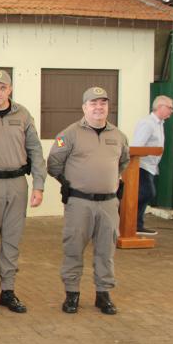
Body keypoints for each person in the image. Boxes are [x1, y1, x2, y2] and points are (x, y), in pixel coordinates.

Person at [47, 86, 130, 315]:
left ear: (108, 107)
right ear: (84, 107)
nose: (98, 107)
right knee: (73, 248)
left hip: (109, 204)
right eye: (93, 103)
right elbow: (54, 164)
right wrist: (69, 183)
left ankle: (103, 294)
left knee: (106, 251)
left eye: (102, 103)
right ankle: (72, 294)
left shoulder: (118, 136)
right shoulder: (69, 134)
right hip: (79, 203)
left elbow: (124, 162)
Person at [0, 70, 45, 316]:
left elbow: (34, 149)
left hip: (17, 184)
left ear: (10, 89)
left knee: (12, 241)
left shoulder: (22, 114)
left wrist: (38, 184)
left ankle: (8, 292)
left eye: (3, 88)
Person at [131, 95, 173, 235]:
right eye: (170, 107)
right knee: (147, 193)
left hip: (151, 167)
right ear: (160, 107)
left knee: (145, 194)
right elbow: (137, 146)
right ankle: (126, 220)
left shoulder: (160, 124)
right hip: (141, 165)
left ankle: (137, 224)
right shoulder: (147, 123)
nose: (172, 111)